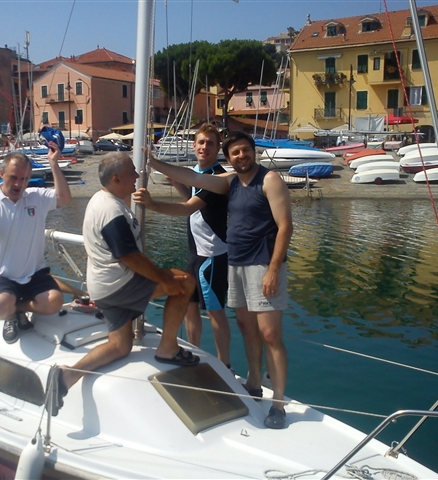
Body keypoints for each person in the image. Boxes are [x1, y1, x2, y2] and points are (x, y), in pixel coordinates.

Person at [148, 131, 293, 429]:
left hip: (262, 263)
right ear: (228, 159)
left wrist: (274, 269)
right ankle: (253, 383)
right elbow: (190, 177)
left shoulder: (269, 180)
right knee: (245, 327)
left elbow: (285, 227)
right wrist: (152, 162)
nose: (241, 156)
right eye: (235, 153)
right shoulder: (228, 183)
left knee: (269, 335)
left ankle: (278, 402)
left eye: (245, 150)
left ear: (254, 152)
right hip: (236, 263)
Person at [54, 152, 197, 415]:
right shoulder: (111, 210)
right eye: (133, 172)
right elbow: (128, 256)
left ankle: (67, 376)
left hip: (102, 287)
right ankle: (167, 349)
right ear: (117, 179)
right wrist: (165, 278)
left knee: (120, 345)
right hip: (119, 284)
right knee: (185, 282)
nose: (138, 175)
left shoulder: (102, 199)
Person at [133, 124, 231, 368]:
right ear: (194, 146)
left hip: (212, 255)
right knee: (190, 306)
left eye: (210, 142)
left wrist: (153, 205)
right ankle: (194, 352)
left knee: (215, 311)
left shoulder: (216, 177)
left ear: (218, 148)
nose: (204, 147)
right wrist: (177, 184)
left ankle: (225, 364)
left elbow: (189, 208)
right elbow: (192, 198)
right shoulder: (197, 171)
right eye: (200, 142)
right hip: (195, 252)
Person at [0, 143, 71, 344]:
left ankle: (19, 308)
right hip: (2, 276)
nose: (19, 184)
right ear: (2, 173)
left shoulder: (36, 197)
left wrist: (53, 164)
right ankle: (11, 315)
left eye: (24, 179)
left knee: (55, 302)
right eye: (14, 177)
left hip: (34, 274)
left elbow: (64, 198)